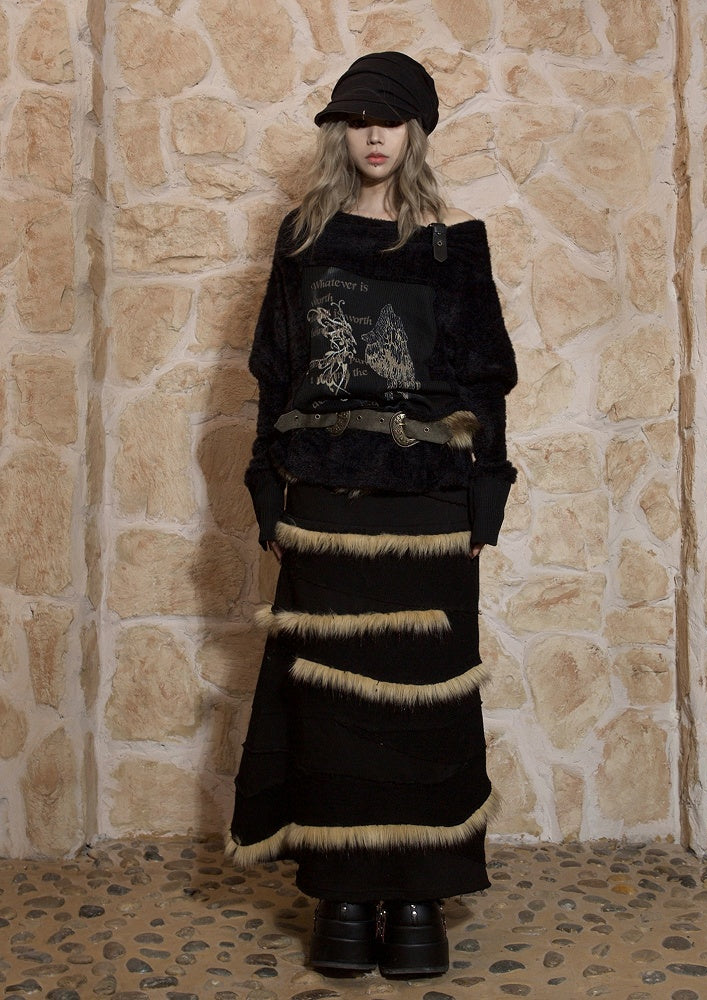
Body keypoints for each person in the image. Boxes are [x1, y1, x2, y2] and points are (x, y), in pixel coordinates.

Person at [226, 51, 517, 978]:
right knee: (330, 708)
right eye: (357, 121)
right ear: (341, 135)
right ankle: (343, 897)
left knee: (426, 708)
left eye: (389, 120)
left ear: (415, 131)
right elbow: (275, 371)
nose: (374, 135)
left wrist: (485, 496)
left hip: (427, 505)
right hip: (326, 505)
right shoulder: (303, 242)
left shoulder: (453, 246)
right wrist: (267, 489)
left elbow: (486, 381)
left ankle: (418, 897)